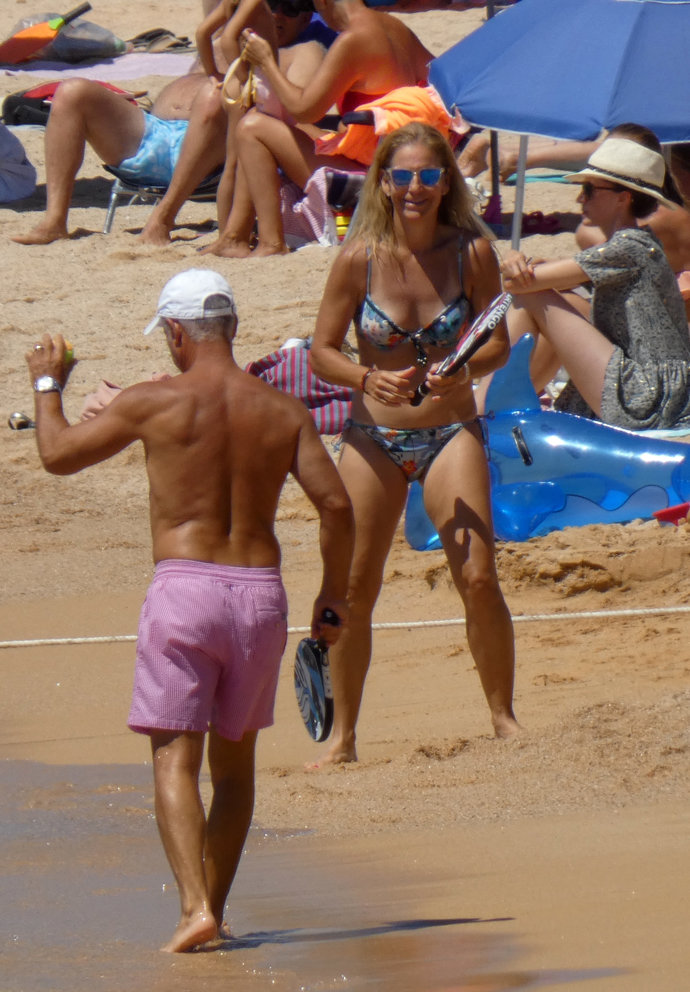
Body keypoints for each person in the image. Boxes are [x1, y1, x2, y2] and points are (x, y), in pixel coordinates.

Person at [25, 269, 354, 951]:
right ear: (230, 328)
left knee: (175, 759)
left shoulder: (156, 403)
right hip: (260, 595)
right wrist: (332, 593)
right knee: (234, 771)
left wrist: (48, 383)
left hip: (186, 590)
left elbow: (56, 455)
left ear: (175, 333)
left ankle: (192, 909)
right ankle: (214, 911)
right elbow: (336, 505)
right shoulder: (281, 410)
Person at [308, 122, 520, 765]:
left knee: (478, 576)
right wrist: (367, 375)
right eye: (402, 176)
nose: (415, 189)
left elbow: (498, 343)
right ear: (382, 182)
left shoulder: (471, 254)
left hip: (450, 429)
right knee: (351, 586)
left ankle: (503, 718)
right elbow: (320, 351)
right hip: (373, 434)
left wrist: (464, 367)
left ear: (447, 183)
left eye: (430, 176)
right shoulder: (358, 257)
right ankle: (343, 737)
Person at [207, 0, 433, 256]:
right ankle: (234, 237)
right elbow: (440, 82)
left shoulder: (353, 39)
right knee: (290, 129)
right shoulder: (395, 27)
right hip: (398, 165)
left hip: (374, 178)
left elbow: (304, 109)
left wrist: (267, 61)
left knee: (252, 127)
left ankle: (270, 243)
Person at [497, 136, 690, 431]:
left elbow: (520, 284)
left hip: (648, 395)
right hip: (662, 388)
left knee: (536, 298)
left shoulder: (629, 246)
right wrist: (527, 271)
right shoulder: (637, 243)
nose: (579, 199)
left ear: (623, 198)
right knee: (563, 299)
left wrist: (513, 259)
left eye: (588, 190)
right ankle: (500, 399)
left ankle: (489, 403)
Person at [140, 0, 334, 245]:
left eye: (291, 9)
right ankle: (233, 236)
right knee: (238, 165)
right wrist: (244, 74)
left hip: (234, 89)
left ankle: (227, 235)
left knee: (234, 164)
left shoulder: (242, 8)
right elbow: (227, 37)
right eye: (275, 5)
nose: (278, 14)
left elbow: (205, 33)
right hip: (247, 85)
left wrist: (218, 73)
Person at [10, 73, 216, 245]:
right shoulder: (214, 43)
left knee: (218, 98)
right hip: (153, 131)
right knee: (72, 90)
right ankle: (54, 221)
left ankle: (162, 220)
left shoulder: (236, 42)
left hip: (210, 140)